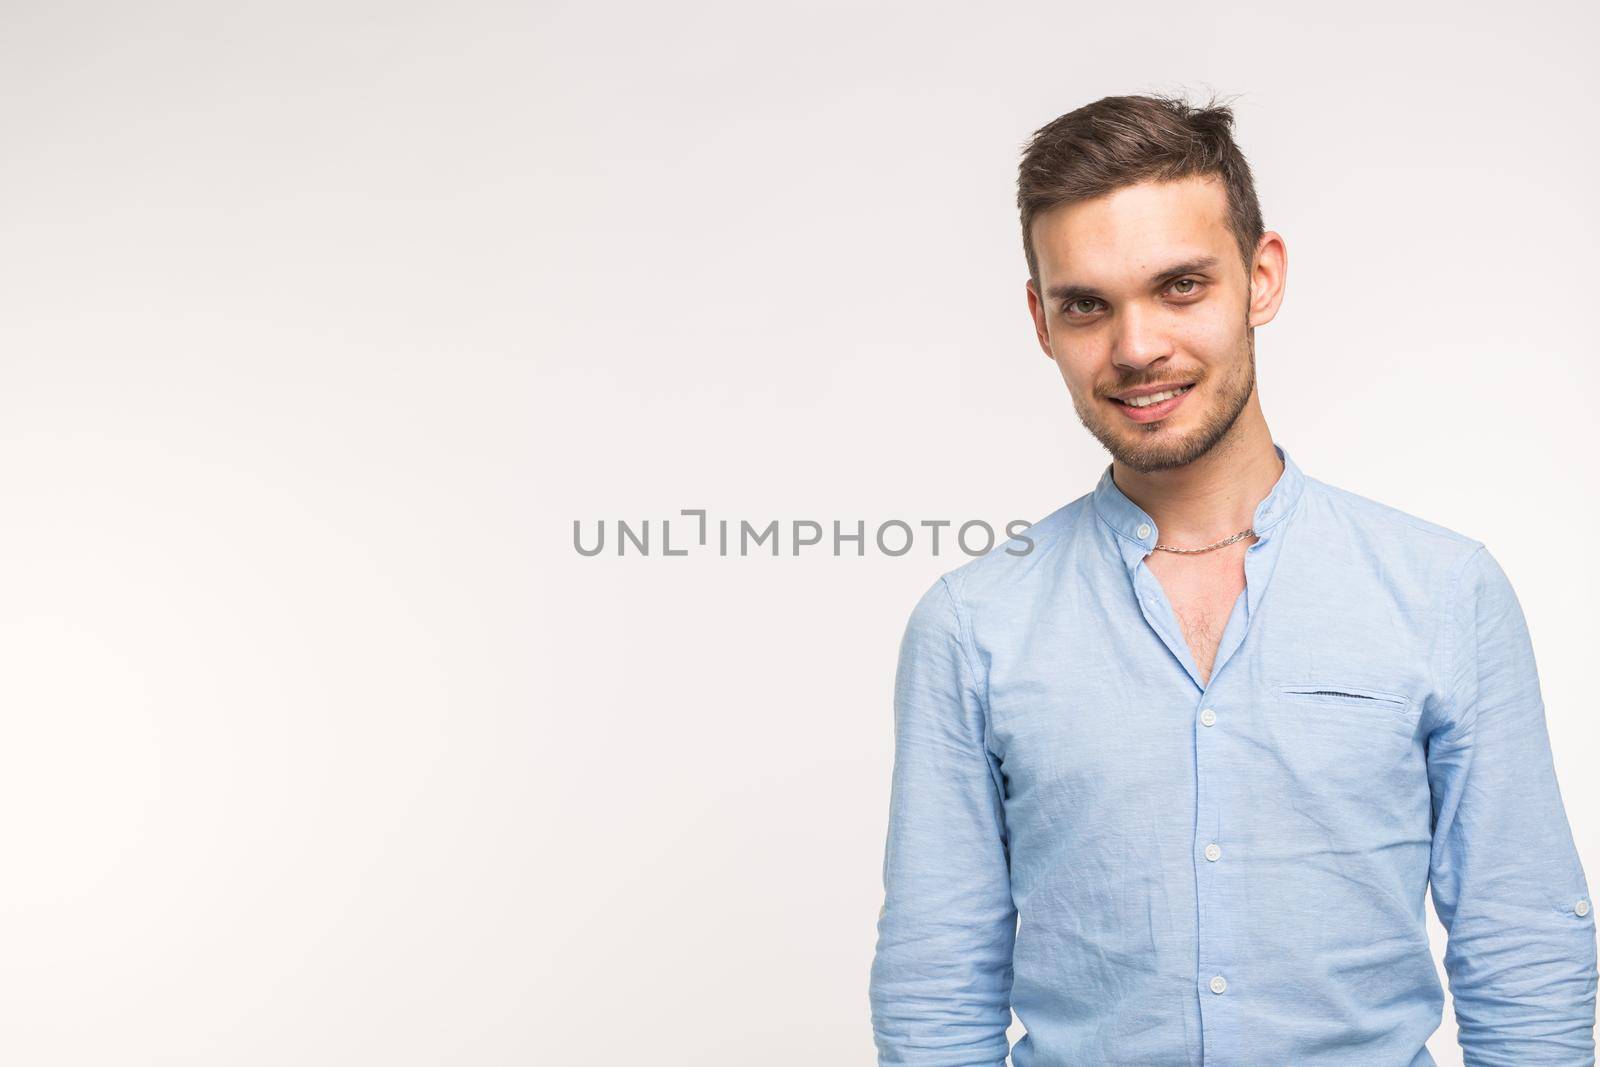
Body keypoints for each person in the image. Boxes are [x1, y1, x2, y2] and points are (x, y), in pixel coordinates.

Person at [867, 92, 1597, 1065]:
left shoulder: (1443, 591)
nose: (1134, 348)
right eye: (1088, 303)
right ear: (1042, 320)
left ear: (1260, 278)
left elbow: (1522, 954)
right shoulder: (971, 625)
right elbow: (935, 989)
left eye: (1178, 286)